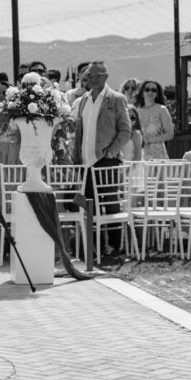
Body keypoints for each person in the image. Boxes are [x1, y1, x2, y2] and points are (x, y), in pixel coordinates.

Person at [71, 61, 132, 256]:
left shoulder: (116, 98)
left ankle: (115, 247)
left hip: (107, 161)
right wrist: (76, 157)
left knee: (111, 202)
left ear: (106, 77)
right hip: (85, 162)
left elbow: (126, 131)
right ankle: (93, 246)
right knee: (88, 205)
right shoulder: (82, 100)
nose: (93, 79)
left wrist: (111, 152)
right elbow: (78, 131)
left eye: (98, 75)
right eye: (90, 75)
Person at [135, 80, 175, 160]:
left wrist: (150, 139)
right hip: (141, 154)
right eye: (147, 89)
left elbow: (170, 134)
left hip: (158, 155)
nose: (150, 92)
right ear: (142, 92)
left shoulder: (161, 109)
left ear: (157, 94)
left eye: (154, 90)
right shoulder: (137, 111)